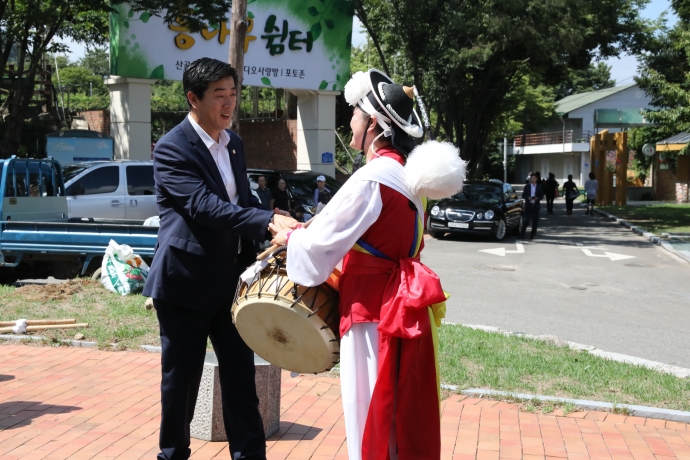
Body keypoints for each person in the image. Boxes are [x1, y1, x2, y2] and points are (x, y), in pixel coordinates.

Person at [271, 69, 465, 460]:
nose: (350, 123)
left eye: (355, 116)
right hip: (400, 309)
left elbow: (319, 244)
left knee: (369, 413)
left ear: (373, 123)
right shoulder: (406, 177)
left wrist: (288, 234)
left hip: (370, 314)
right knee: (395, 413)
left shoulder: (372, 178)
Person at [142, 57, 297, 460]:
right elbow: (204, 207)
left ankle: (249, 455)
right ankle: (172, 454)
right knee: (181, 383)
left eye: (233, 94)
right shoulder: (172, 147)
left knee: (241, 379)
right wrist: (265, 221)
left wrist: (276, 217)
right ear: (193, 98)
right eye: (219, 96)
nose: (229, 104)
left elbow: (238, 201)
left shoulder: (234, 142)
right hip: (184, 284)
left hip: (232, 285)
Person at [521, 173, 544, 240]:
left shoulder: (539, 187)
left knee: (535, 221)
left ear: (536, 179)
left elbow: (541, 196)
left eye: (534, 178)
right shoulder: (527, 186)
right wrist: (528, 198)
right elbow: (523, 195)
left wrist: (537, 198)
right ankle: (522, 234)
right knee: (526, 220)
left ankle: (533, 234)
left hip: (535, 205)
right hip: (528, 205)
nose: (533, 179)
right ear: (530, 179)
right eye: (532, 178)